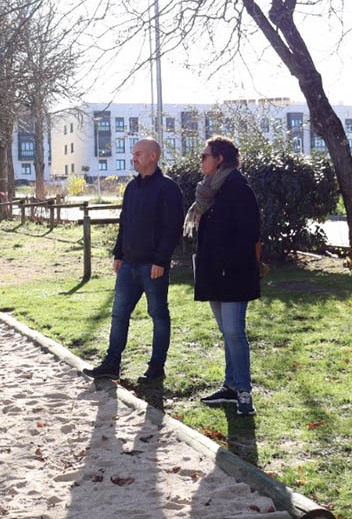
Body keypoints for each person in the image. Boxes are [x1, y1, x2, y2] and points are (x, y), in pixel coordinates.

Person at [84, 138, 184, 383]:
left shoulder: (168, 188)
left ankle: (156, 367)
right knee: (119, 315)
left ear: (153, 156)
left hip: (153, 266)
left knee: (158, 316)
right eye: (133, 154)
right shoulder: (131, 187)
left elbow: (173, 228)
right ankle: (111, 363)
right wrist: (118, 254)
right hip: (128, 264)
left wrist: (161, 261)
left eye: (139, 153)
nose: (134, 157)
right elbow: (124, 222)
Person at [188, 136, 261, 416]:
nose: (201, 160)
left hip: (233, 274)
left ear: (220, 159)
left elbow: (249, 233)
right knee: (227, 333)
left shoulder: (237, 188)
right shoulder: (208, 191)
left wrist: (225, 262)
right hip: (212, 272)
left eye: (205, 156)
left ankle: (244, 393)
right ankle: (230, 387)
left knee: (234, 332)